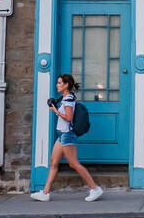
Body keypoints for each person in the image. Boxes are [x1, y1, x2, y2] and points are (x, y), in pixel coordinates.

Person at [31, 74, 103, 202]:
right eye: (57, 83)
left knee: (74, 164)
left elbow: (69, 118)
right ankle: (45, 193)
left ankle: (95, 189)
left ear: (66, 85)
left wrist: (56, 112)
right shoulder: (65, 98)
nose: (57, 85)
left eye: (59, 83)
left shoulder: (68, 100)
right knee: (53, 163)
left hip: (67, 135)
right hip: (61, 135)